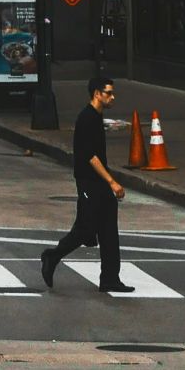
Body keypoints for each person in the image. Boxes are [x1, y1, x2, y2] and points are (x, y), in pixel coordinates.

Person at [40, 76, 132, 294]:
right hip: (89, 182)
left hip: (98, 182)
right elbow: (90, 157)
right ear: (97, 94)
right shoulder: (87, 119)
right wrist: (112, 181)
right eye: (108, 93)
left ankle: (110, 278)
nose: (113, 97)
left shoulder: (96, 117)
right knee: (85, 229)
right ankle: (52, 256)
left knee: (109, 230)